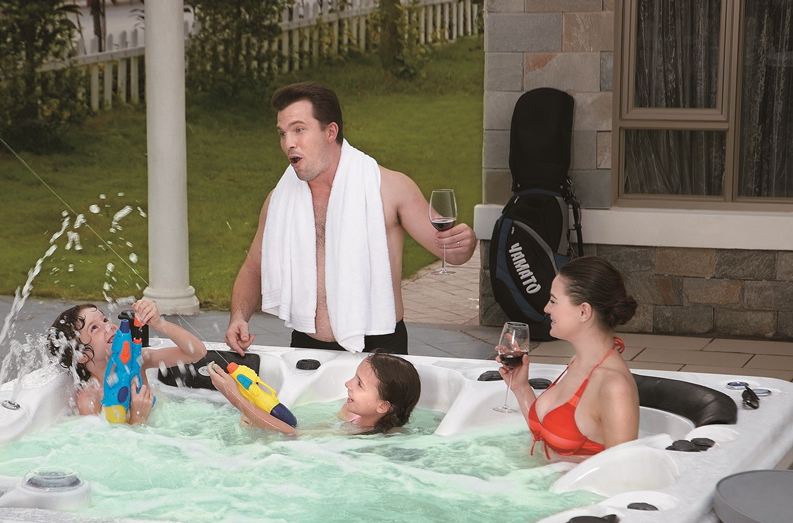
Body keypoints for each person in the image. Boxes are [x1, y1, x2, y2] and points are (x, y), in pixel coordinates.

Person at [225, 81, 476, 356]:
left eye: (299, 130)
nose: (288, 143)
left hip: (380, 348)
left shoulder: (389, 188)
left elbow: (452, 253)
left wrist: (466, 242)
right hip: (307, 346)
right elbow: (254, 267)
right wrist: (239, 317)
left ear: (330, 131)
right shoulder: (279, 200)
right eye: (283, 133)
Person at [498, 257, 640, 461]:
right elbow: (548, 437)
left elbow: (623, 472)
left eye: (553, 301)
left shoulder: (615, 386)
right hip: (549, 478)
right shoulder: (577, 361)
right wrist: (521, 387)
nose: (546, 308)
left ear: (584, 311)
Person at [47, 299, 207, 424]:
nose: (109, 326)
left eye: (104, 320)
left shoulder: (137, 360)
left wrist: (159, 323)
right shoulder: (90, 398)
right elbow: (107, 446)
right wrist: (138, 418)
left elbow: (197, 352)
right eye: (94, 328)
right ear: (80, 355)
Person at [209, 352, 422, 436]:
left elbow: (294, 435)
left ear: (383, 406)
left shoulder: (360, 434)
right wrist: (259, 416)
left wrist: (236, 398)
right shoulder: (352, 412)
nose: (347, 384)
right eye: (353, 377)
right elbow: (308, 430)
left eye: (359, 384)